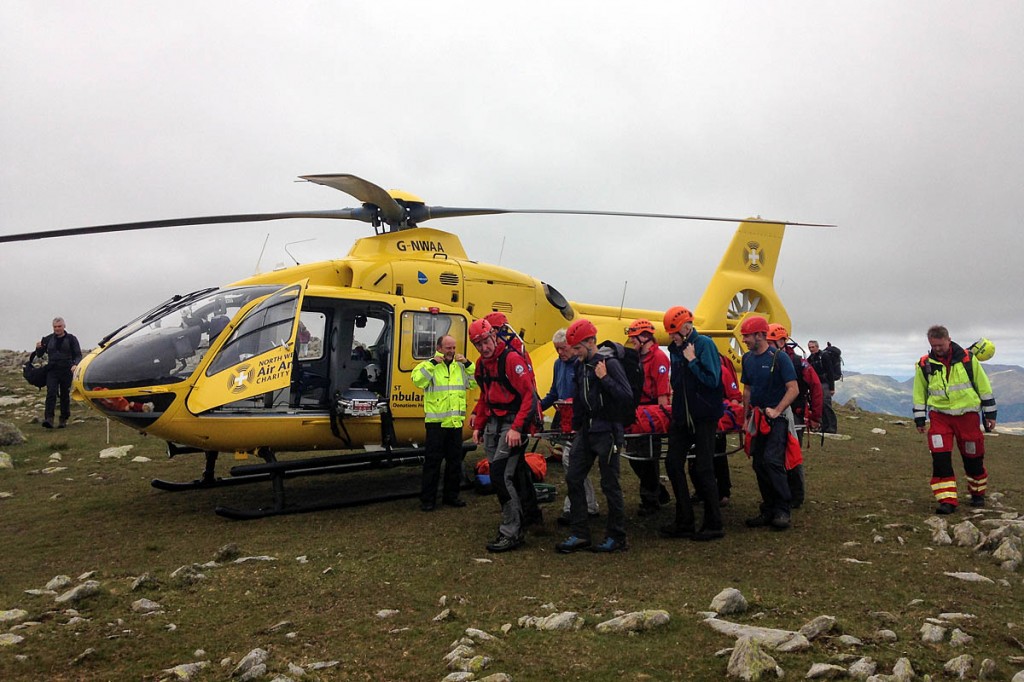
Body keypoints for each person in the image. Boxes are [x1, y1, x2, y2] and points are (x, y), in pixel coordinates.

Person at [555, 318, 633, 554]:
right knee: (573, 477)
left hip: (608, 431)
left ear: (591, 342)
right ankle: (580, 533)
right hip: (587, 431)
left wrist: (604, 379)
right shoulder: (580, 365)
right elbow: (579, 396)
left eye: (578, 348)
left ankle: (617, 536)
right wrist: (576, 426)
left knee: (610, 484)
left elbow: (627, 397)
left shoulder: (609, 364)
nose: (575, 353)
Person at [470, 318, 541, 553]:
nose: (483, 348)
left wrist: (517, 428)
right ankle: (526, 517)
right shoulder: (481, 365)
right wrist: (479, 425)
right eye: (478, 345)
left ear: (494, 336)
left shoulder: (511, 360)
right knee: (506, 474)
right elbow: (485, 396)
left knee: (501, 476)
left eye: (485, 342)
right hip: (494, 422)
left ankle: (511, 531)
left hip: (512, 422)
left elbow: (529, 396)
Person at [912, 325, 997, 514]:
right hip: (940, 417)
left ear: (948, 340)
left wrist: (990, 414)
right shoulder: (924, 364)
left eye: (940, 345)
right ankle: (947, 500)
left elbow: (983, 386)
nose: (937, 349)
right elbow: (919, 393)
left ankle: (977, 493)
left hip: (968, 417)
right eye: (933, 345)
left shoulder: (968, 359)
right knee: (940, 457)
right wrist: (919, 419)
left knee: (973, 456)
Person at [658, 306, 725, 542]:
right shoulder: (676, 349)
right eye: (670, 333)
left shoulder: (704, 344)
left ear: (687, 327)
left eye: (674, 332)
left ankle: (714, 523)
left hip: (704, 416)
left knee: (704, 468)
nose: (672, 337)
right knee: (673, 463)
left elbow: (712, 380)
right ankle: (684, 521)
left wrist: (693, 361)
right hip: (682, 416)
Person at [740, 316, 799, 531]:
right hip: (757, 417)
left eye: (747, 335)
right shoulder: (747, 359)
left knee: (772, 461)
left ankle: (782, 510)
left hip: (777, 419)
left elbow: (793, 388)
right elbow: (747, 390)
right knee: (758, 463)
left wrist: (777, 410)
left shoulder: (779, 358)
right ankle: (769, 509)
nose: (744, 339)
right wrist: (745, 418)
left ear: (759, 335)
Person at [539, 328, 599, 525]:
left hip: (579, 420)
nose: (560, 353)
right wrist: (537, 408)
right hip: (565, 419)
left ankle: (575, 506)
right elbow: (554, 392)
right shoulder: (558, 364)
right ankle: (586, 504)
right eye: (557, 349)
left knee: (571, 462)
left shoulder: (581, 364)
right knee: (571, 463)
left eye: (563, 348)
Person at [412, 335, 475, 512]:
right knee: (432, 462)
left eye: (454, 348)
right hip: (436, 423)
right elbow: (417, 380)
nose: (452, 351)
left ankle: (451, 496)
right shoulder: (429, 365)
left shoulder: (460, 367)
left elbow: (475, 381)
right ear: (439, 348)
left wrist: (468, 363)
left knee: (454, 462)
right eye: (449, 348)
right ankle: (428, 499)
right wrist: (432, 363)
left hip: (455, 423)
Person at [768, 325, 822, 509]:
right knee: (773, 457)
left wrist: (815, 416)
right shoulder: (767, 359)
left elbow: (815, 388)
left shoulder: (799, 363)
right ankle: (780, 493)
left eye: (770, 342)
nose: (767, 345)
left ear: (782, 341)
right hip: (772, 413)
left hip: (795, 415)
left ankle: (796, 495)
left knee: (792, 455)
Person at [623, 318, 672, 517]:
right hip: (637, 410)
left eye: (634, 338)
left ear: (644, 337)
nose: (632, 341)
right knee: (634, 456)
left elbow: (662, 391)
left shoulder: (659, 358)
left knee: (649, 457)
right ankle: (657, 491)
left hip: (652, 411)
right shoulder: (636, 358)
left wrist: (662, 418)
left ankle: (651, 500)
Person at [34, 317, 82, 429]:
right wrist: (38, 348)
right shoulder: (48, 339)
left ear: (64, 326)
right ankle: (48, 419)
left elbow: (78, 354)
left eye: (59, 326)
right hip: (52, 369)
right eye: (55, 327)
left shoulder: (71, 339)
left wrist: (76, 364)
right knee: (51, 393)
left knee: (65, 394)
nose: (57, 329)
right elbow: (40, 354)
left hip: (67, 369)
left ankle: (63, 419)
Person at [807, 340, 838, 433]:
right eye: (809, 347)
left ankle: (832, 427)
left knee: (826, 404)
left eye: (813, 347)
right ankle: (824, 426)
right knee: (819, 405)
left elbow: (830, 372)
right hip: (816, 384)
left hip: (825, 384)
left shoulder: (824, 356)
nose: (811, 349)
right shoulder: (810, 359)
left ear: (817, 347)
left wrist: (832, 388)